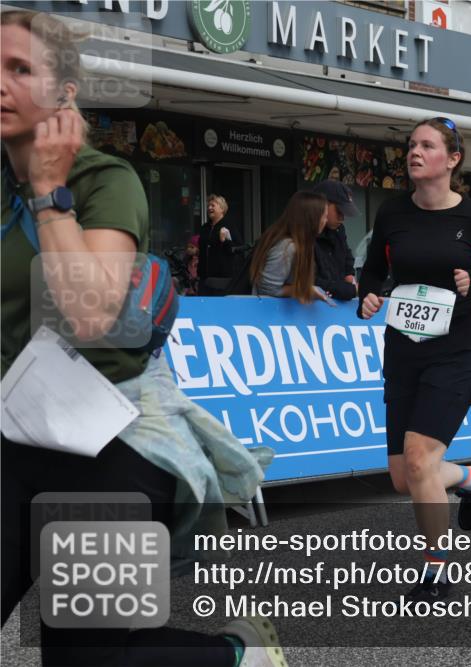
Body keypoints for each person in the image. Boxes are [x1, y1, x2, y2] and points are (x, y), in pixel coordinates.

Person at [1, 10, 280, 666]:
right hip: (19, 432)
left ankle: (240, 656)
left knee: (88, 656)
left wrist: (47, 190)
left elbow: (90, 312)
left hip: (116, 436)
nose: (1, 83)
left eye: (19, 69)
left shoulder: (106, 181)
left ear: (64, 93)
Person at [356, 117, 471, 602]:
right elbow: (372, 273)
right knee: (403, 476)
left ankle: (436, 572)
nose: (414, 152)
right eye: (411, 144)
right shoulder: (391, 214)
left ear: (451, 160)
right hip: (403, 349)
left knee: (418, 460)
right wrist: (368, 297)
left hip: (456, 350)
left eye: (426, 145)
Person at [250, 190, 331, 303]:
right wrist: (304, 290)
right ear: (313, 218)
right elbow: (268, 289)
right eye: (325, 216)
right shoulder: (287, 247)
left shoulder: (294, 243)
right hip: (269, 315)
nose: (326, 221)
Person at [312, 180, 359, 301]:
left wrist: (350, 277)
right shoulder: (303, 236)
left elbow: (347, 260)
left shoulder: (339, 231)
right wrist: (350, 290)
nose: (342, 218)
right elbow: (311, 281)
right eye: (339, 211)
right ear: (322, 205)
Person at [198, 193, 242, 295]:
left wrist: (225, 241)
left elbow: (237, 249)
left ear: (222, 209)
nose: (209, 208)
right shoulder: (205, 227)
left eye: (213, 205)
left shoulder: (229, 225)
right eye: (208, 206)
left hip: (221, 280)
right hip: (204, 279)